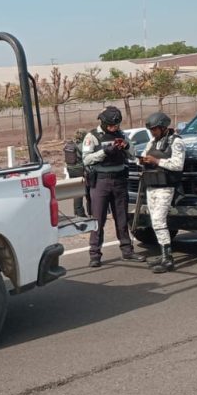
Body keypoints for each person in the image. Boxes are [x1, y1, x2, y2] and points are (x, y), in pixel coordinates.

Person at [81, 106, 148, 267]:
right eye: (111, 125)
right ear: (103, 123)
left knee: (122, 218)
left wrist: (125, 147)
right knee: (98, 219)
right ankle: (95, 255)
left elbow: (132, 154)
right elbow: (86, 159)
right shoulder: (92, 136)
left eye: (116, 125)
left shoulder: (122, 134)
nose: (114, 128)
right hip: (100, 182)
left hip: (119, 180)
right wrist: (105, 152)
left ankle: (127, 251)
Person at [138, 111, 186, 274]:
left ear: (164, 127)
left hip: (166, 186)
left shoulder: (176, 142)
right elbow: (145, 156)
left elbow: (178, 165)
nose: (153, 132)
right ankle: (163, 254)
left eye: (155, 129)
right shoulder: (152, 141)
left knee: (159, 220)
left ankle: (168, 258)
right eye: (151, 130)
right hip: (151, 185)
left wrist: (157, 161)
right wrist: (143, 160)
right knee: (155, 222)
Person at [63, 128, 88, 218]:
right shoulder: (83, 145)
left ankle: (77, 212)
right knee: (87, 190)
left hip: (70, 169)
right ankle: (87, 212)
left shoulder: (69, 145)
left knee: (77, 191)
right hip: (80, 170)